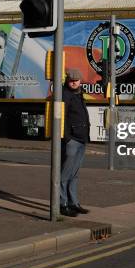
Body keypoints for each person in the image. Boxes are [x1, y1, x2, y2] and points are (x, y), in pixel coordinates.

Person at [60, 68, 90, 217]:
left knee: (74, 174)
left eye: (76, 81)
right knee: (64, 174)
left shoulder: (79, 94)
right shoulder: (65, 94)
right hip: (72, 140)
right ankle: (62, 204)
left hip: (82, 139)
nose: (74, 83)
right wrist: (67, 138)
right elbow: (61, 117)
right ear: (67, 80)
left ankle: (74, 203)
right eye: (71, 81)